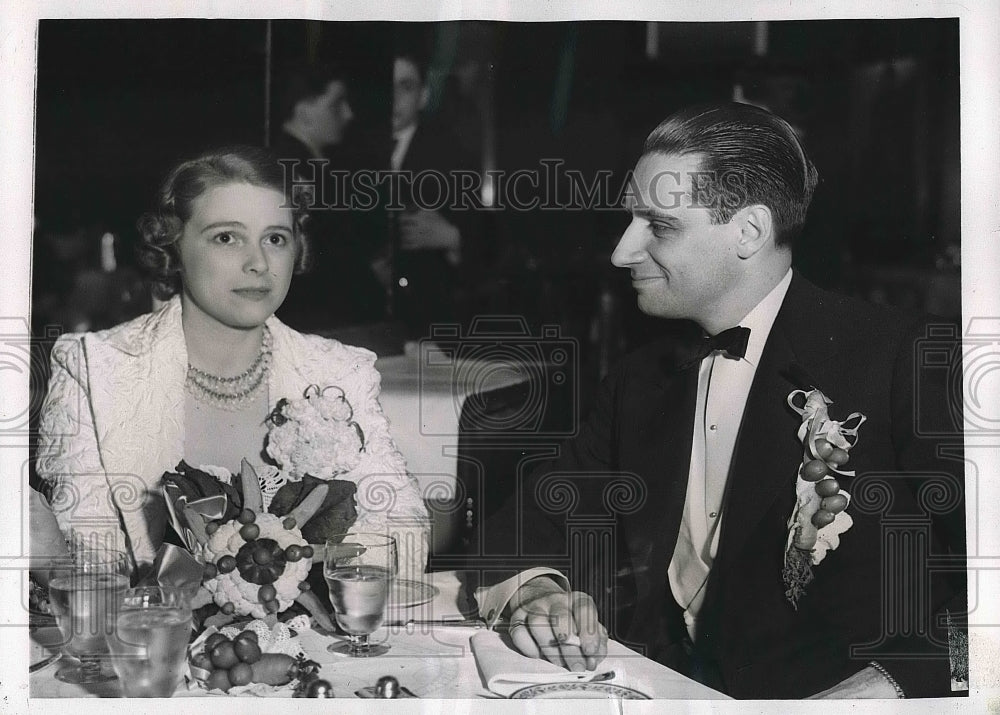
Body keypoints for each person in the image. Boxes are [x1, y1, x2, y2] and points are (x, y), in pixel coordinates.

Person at [469, 103, 966, 698]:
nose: (621, 252)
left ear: (749, 232)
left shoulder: (906, 361)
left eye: (659, 225)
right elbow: (524, 523)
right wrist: (539, 593)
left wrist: (884, 689)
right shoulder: (642, 377)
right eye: (631, 220)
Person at [35, 147, 429, 581]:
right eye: (227, 237)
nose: (258, 263)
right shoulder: (95, 370)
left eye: (275, 238)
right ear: (174, 246)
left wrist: (291, 581)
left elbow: (404, 535)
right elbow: (89, 562)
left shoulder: (338, 372)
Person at [377, 50, 479, 337]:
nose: (394, 97)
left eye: (406, 87)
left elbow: (486, 242)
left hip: (430, 324)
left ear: (423, 96)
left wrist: (452, 237)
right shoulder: (350, 152)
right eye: (387, 86)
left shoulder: (453, 157)